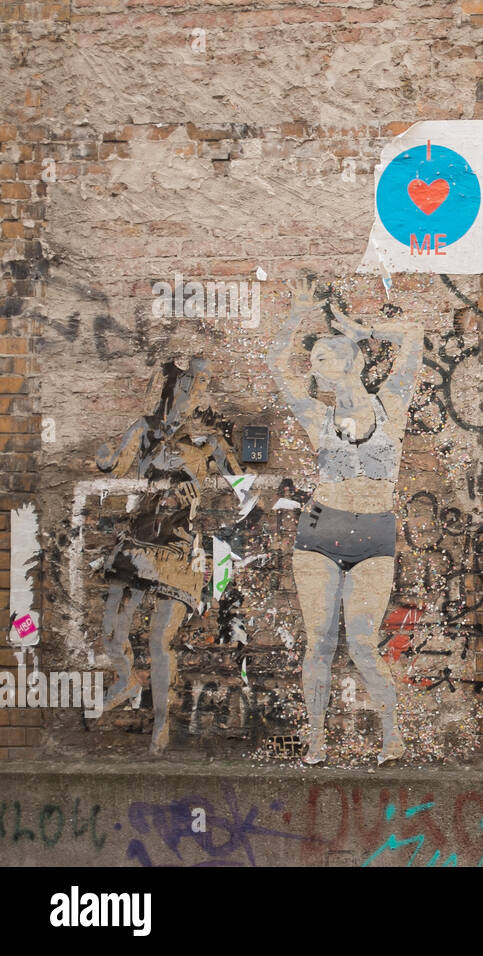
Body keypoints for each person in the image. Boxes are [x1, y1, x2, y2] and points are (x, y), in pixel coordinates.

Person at [268, 279, 423, 765]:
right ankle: (315, 741)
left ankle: (391, 737)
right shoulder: (317, 416)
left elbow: (414, 335)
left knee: (360, 643)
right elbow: (277, 364)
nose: (317, 366)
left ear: (352, 360)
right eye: (315, 362)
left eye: (327, 356)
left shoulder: (392, 405)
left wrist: (362, 328)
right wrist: (295, 317)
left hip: (375, 535)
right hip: (320, 532)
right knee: (320, 641)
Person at [96, 358, 255, 754]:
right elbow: (114, 464)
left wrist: (225, 546)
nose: (195, 391)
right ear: (171, 386)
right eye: (189, 383)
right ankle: (125, 678)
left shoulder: (210, 442)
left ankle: (161, 728)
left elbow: (245, 492)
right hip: (138, 540)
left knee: (158, 639)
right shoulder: (146, 429)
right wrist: (104, 458)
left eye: (202, 385)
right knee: (112, 629)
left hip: (180, 549)